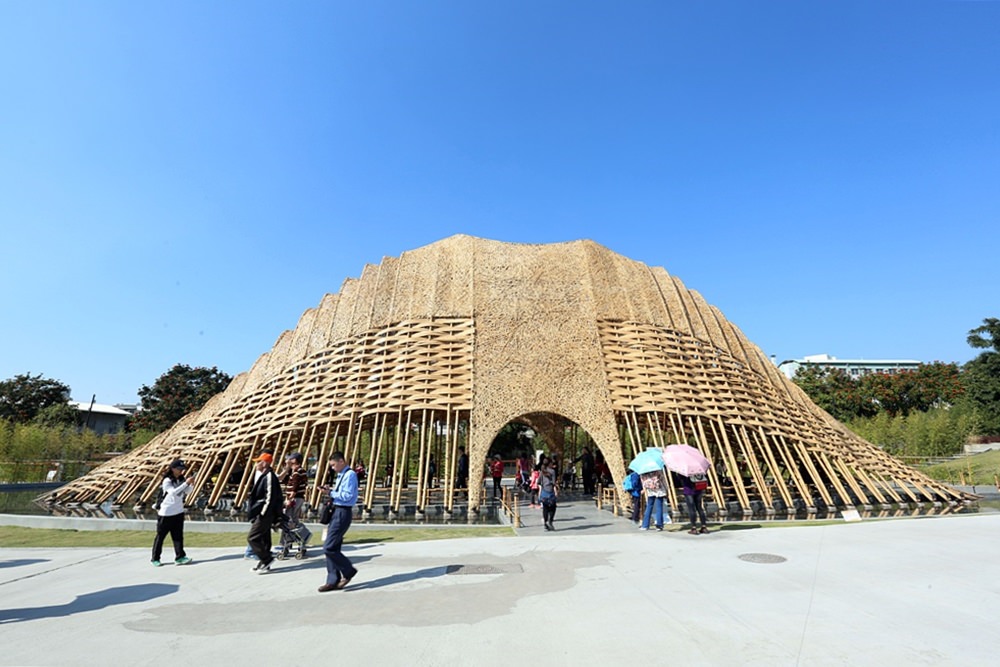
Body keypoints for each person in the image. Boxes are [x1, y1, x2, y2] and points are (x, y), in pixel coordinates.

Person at [319, 451, 359, 593]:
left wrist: (330, 493)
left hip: (343, 511)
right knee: (333, 547)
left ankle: (348, 571)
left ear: (341, 461)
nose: (332, 468)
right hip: (336, 511)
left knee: (328, 547)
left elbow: (347, 496)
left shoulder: (350, 475)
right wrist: (330, 490)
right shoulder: (341, 475)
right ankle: (332, 580)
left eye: (334, 465)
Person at [151, 459, 195, 566]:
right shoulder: (167, 481)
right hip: (166, 513)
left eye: (182, 469)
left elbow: (187, 492)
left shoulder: (181, 479)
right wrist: (186, 483)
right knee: (160, 537)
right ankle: (155, 558)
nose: (181, 471)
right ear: (173, 469)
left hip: (178, 512)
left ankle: (180, 556)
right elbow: (174, 493)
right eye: (179, 469)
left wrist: (191, 485)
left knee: (178, 536)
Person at [247, 452, 283, 573]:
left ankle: (266, 559)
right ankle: (264, 563)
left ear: (265, 463)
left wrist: (263, 513)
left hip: (265, 513)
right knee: (264, 537)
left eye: (258, 461)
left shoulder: (269, 477)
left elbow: (270, 497)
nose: (256, 464)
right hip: (263, 513)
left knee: (253, 538)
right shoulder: (264, 475)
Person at [279, 451, 311, 543]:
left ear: (295, 460)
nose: (288, 460)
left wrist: (289, 500)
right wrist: (287, 468)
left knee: (289, 520)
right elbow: (284, 480)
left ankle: (286, 541)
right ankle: (303, 536)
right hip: (298, 498)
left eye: (291, 458)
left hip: (295, 498)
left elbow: (294, 488)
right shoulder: (296, 471)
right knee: (294, 519)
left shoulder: (297, 472)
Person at [538, 457, 559, 531]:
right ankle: (550, 521)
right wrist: (556, 491)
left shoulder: (542, 471)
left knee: (545, 508)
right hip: (550, 491)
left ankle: (545, 522)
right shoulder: (552, 471)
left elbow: (539, 482)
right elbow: (553, 483)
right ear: (549, 463)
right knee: (553, 507)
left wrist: (539, 492)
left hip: (544, 492)